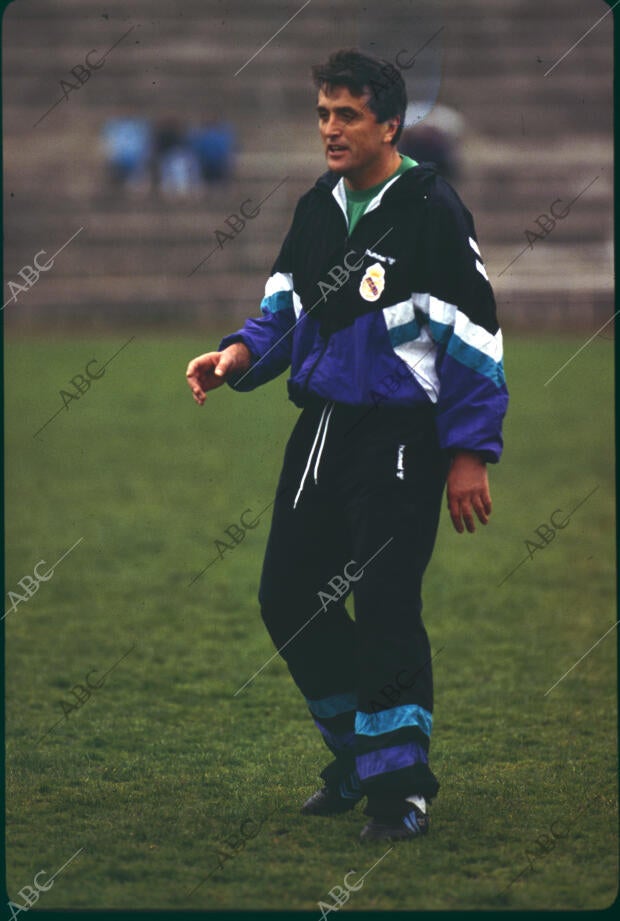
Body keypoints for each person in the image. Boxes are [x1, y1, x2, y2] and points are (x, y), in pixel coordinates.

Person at [186, 49, 508, 842]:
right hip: (323, 427)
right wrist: (236, 356)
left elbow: (473, 335)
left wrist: (469, 452)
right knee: (288, 599)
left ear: (389, 124)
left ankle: (399, 790)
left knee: (388, 602)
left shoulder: (432, 209)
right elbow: (282, 310)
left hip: (401, 435)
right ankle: (361, 754)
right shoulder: (317, 208)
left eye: (348, 115)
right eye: (324, 114)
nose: (331, 129)